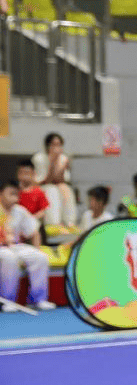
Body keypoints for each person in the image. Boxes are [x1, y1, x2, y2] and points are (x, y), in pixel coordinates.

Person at [0, 181, 53, 312]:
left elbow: (34, 233)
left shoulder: (20, 210)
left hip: (16, 246)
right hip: (1, 247)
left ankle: (38, 299)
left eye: (16, 194)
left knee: (40, 257)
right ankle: (8, 301)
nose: (15, 198)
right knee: (9, 258)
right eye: (11, 194)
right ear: (1, 194)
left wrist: (37, 250)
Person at [31, 132, 74, 229]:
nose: (56, 148)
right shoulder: (39, 158)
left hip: (57, 185)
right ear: (47, 146)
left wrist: (61, 166)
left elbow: (61, 180)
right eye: (53, 145)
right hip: (42, 186)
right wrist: (52, 163)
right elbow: (45, 181)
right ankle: (53, 223)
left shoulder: (63, 158)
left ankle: (69, 223)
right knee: (52, 190)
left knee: (65, 188)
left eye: (59, 145)